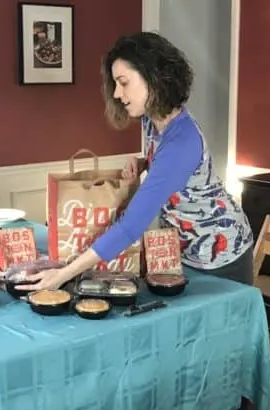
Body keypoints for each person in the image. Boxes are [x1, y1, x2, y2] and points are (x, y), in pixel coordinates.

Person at [16, 31, 254, 292]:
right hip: (184, 249)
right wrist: (144, 162)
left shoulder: (181, 141)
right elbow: (170, 168)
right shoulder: (153, 118)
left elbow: (131, 226)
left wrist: (63, 274)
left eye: (123, 82)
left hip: (222, 255)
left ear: (154, 77)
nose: (117, 93)